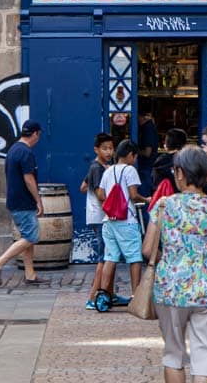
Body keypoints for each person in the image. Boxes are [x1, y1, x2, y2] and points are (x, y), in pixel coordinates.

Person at [143, 145, 207, 383]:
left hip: (170, 289)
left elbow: (148, 249)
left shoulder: (163, 206)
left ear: (179, 172)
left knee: (173, 354)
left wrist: (172, 260)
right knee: (206, 358)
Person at [0, 119, 48, 286]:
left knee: (27, 237)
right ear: (36, 133)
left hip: (15, 200)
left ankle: (30, 275)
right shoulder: (26, 152)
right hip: (24, 201)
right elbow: (29, 178)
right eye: (39, 135)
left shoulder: (13, 150)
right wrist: (38, 200)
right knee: (31, 237)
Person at [98, 139, 149, 302]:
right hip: (126, 220)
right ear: (129, 155)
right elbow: (133, 195)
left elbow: (100, 194)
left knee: (110, 256)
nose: (134, 159)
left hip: (109, 220)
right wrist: (147, 199)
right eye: (134, 156)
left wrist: (112, 202)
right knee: (134, 257)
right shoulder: (130, 170)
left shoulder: (108, 171)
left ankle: (104, 294)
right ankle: (136, 295)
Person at [79, 132, 114, 309]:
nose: (109, 152)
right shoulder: (98, 168)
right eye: (105, 148)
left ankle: (109, 292)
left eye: (111, 148)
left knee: (107, 255)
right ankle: (92, 297)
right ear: (96, 149)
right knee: (103, 258)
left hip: (95, 216)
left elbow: (83, 187)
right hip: (101, 217)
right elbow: (101, 195)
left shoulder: (96, 167)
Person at [151, 127, 187, 192]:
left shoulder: (159, 162)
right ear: (184, 145)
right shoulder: (187, 160)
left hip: (163, 199)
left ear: (166, 145)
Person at [137, 111, 159, 196]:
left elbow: (147, 152)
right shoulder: (146, 128)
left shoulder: (147, 129)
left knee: (145, 193)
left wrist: (135, 151)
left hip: (146, 167)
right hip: (146, 167)